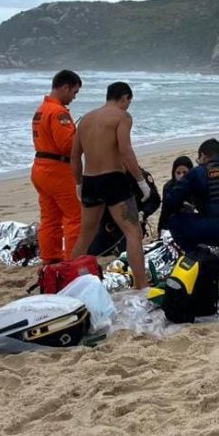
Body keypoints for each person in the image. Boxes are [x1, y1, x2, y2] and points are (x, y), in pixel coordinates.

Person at [70, 81, 151, 289]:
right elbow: (125, 151)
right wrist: (141, 181)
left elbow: (75, 157)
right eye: (128, 102)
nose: (127, 106)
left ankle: (68, 280)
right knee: (133, 232)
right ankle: (141, 285)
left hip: (90, 181)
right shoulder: (122, 117)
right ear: (125, 98)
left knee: (86, 234)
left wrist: (79, 182)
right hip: (113, 179)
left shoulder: (85, 119)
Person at [165, 138, 219, 291]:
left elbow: (171, 200)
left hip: (217, 226)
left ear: (203, 156)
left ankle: (200, 257)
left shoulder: (200, 171)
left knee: (174, 221)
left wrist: (182, 208)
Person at [31, 70, 83, 264]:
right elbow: (67, 145)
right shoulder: (59, 112)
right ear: (65, 87)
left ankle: (50, 258)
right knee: (75, 216)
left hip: (40, 167)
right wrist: (82, 135)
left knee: (50, 217)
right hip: (58, 170)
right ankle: (72, 260)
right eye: (74, 92)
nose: (74, 98)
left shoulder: (41, 109)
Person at [157, 156, 194, 236]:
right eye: (178, 173)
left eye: (185, 172)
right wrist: (160, 229)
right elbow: (165, 212)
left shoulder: (197, 185)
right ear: (173, 173)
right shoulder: (168, 187)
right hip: (173, 223)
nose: (181, 176)